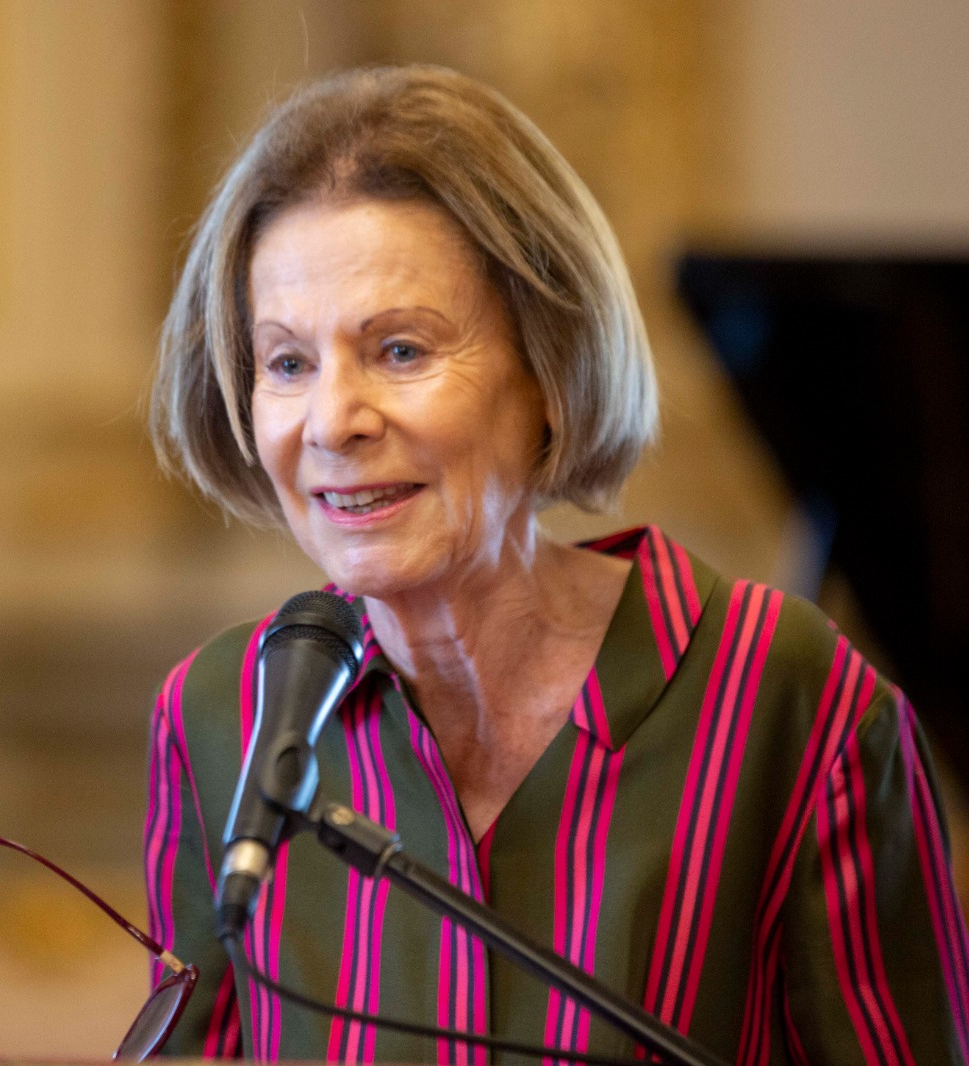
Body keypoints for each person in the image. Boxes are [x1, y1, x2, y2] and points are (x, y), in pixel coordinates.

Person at [142, 65, 969, 1065]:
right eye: (286, 361)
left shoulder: (788, 694)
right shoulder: (215, 713)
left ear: (548, 365)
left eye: (400, 350)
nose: (332, 420)